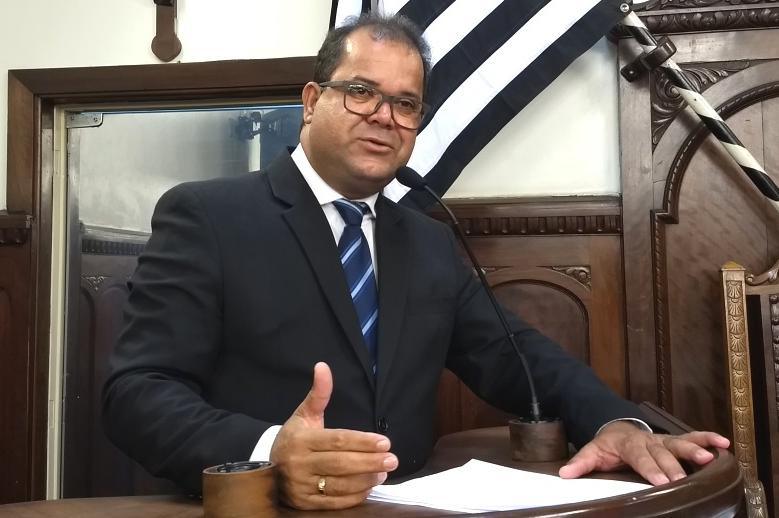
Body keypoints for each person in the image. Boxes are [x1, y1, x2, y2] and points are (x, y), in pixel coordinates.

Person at [102, 13, 729, 511]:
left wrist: (614, 421)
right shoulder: (209, 216)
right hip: (267, 507)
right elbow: (137, 393)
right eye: (361, 92)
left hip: (407, 507)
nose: (385, 117)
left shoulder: (425, 240)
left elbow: (511, 353)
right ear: (312, 100)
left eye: (406, 104)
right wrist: (270, 450)